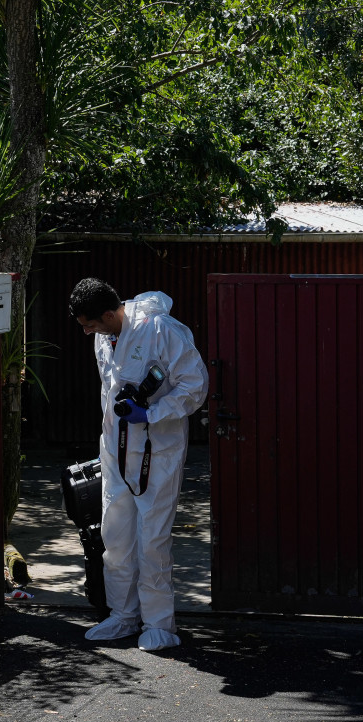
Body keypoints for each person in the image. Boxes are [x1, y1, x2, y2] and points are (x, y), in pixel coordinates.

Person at [69, 277, 208, 651]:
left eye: (91, 324)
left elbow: (195, 385)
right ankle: (123, 615)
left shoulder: (161, 330)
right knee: (115, 537)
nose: (88, 333)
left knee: (153, 540)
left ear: (111, 313)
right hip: (116, 450)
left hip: (157, 453)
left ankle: (159, 623)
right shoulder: (104, 337)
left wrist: (151, 412)